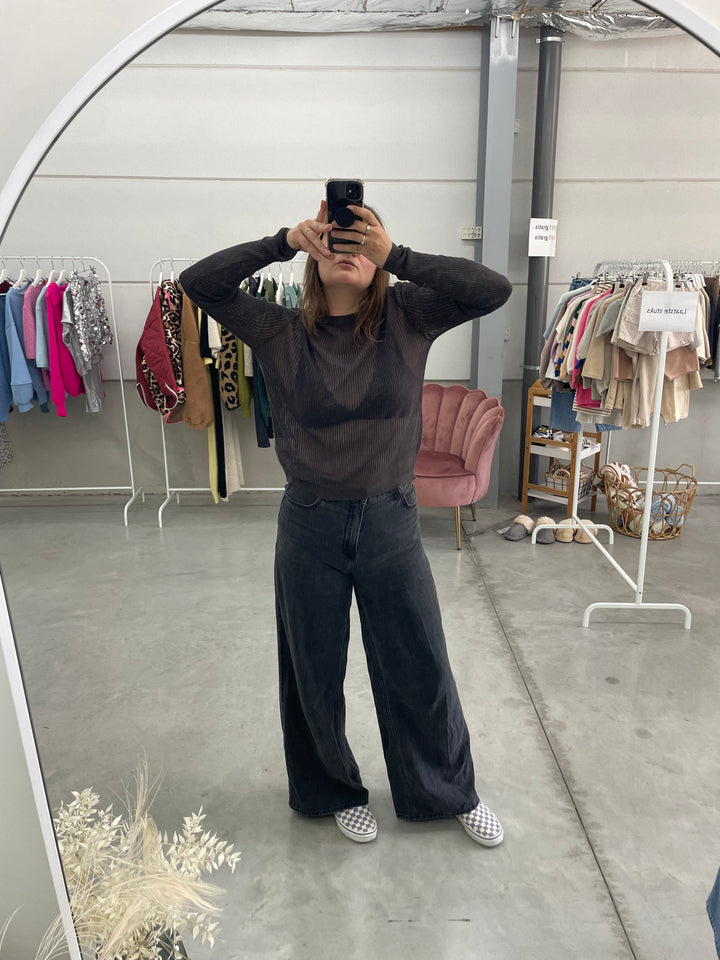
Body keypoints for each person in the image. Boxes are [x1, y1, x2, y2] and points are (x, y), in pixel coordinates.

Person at [180, 198, 512, 845]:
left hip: (392, 521)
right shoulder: (280, 330)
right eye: (335, 236)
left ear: (378, 251)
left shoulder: (409, 316)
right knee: (313, 669)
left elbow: (492, 289)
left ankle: (445, 791)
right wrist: (281, 240)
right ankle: (331, 789)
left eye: (362, 237)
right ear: (314, 252)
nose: (347, 247)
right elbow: (199, 284)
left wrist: (399, 256)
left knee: (421, 664)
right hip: (310, 526)